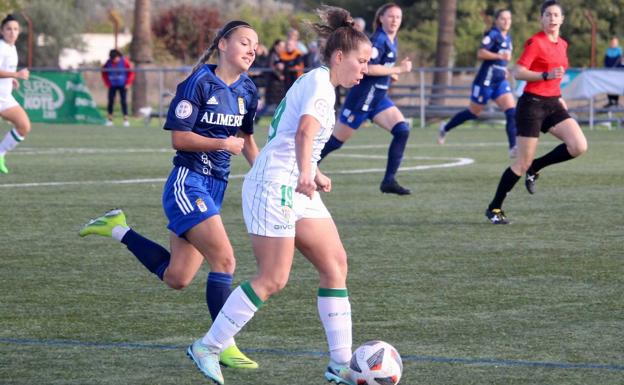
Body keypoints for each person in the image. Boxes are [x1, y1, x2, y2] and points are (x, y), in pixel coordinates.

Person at [185, 6, 371, 385]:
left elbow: (289, 136)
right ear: (340, 57)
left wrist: (313, 172)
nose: (364, 69)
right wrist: (305, 171)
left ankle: (339, 364)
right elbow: (303, 133)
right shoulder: (321, 86)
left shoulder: (318, 82)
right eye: (362, 61)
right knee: (273, 278)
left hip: (293, 182)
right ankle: (208, 346)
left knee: (336, 264)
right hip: (274, 185)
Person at [79, 21, 261, 369]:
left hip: (215, 187)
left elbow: (247, 138)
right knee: (224, 260)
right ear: (223, 44)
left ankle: (117, 228)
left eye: (255, 45)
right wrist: (223, 143)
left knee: (177, 278)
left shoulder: (248, 90)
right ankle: (219, 344)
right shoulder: (197, 83)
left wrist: (264, 173)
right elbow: (179, 138)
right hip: (188, 182)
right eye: (244, 42)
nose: (252, 50)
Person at [485, 0, 587, 224]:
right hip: (531, 104)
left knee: (578, 146)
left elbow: (557, 76)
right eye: (547, 15)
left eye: (555, 15)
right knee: (521, 163)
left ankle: (536, 167)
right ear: (541, 19)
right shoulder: (535, 42)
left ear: (562, 19)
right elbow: (518, 72)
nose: (552, 18)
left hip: (553, 103)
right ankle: (494, 208)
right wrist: (544, 76)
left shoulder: (563, 44)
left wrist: (558, 95)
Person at [319, 2, 413, 195]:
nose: (395, 20)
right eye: (391, 16)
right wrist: (398, 69)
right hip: (361, 98)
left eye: (398, 17)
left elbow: (380, 67)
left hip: (378, 99)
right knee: (334, 142)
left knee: (402, 130)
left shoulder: (391, 39)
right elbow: (368, 68)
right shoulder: (378, 40)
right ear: (381, 18)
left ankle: (389, 181)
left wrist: (390, 74)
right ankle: (300, 168)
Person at [437, 9, 518, 158]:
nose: (506, 21)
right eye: (503, 19)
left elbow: (504, 59)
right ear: (496, 21)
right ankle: (445, 127)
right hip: (485, 81)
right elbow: (481, 53)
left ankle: (513, 147)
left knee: (511, 111)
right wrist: (498, 55)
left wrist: (504, 68)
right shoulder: (492, 35)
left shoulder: (508, 37)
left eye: (509, 19)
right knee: (473, 112)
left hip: (499, 81)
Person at [0, 14, 30, 174]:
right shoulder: (1, 47)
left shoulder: (12, 48)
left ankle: (0, 154)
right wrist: (16, 75)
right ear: (2, 31)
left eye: (15, 29)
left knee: (24, 126)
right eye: (8, 29)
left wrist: (12, 79)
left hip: (4, 98)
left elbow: (6, 70)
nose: (12, 32)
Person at [101, 49, 134, 127]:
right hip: (112, 85)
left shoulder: (125, 62)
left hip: (123, 85)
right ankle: (110, 120)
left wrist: (128, 83)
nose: (115, 60)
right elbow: (104, 72)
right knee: (111, 102)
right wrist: (107, 83)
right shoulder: (108, 63)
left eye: (116, 58)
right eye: (113, 59)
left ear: (119, 57)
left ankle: (126, 120)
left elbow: (131, 72)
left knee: (123, 102)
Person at [603, 36, 622, 108]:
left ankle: (616, 101)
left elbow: (621, 64)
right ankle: (610, 101)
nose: (613, 43)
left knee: (615, 86)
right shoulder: (607, 52)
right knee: (608, 87)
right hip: (609, 73)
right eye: (612, 42)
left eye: (615, 42)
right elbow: (606, 63)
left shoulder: (620, 52)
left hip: (617, 74)